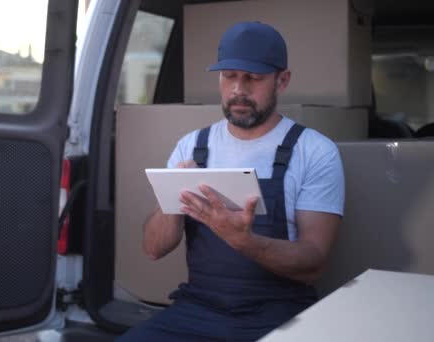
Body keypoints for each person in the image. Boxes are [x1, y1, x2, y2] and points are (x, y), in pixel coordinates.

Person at [117, 21, 344, 341]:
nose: (239, 89)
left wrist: (244, 241)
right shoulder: (192, 146)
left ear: (282, 80)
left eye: (253, 78)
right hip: (196, 310)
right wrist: (174, 200)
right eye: (229, 77)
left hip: (280, 313)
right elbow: (154, 249)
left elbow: (314, 262)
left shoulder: (314, 151)